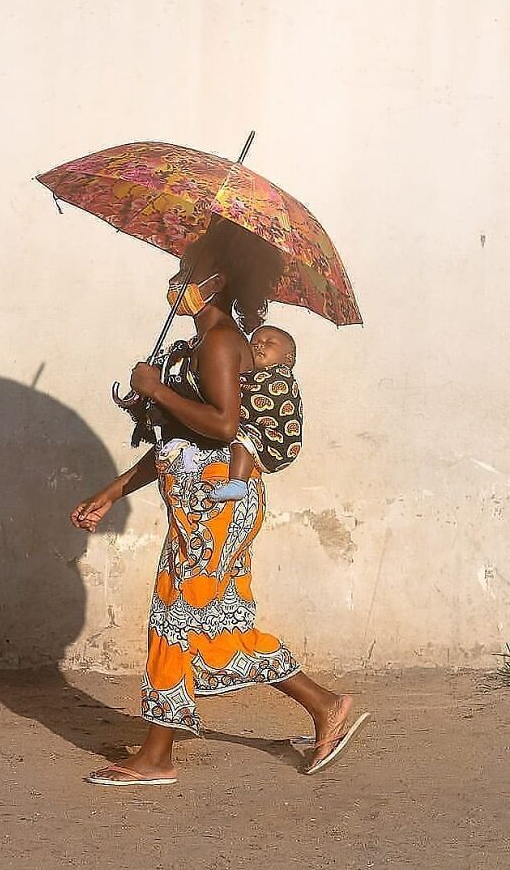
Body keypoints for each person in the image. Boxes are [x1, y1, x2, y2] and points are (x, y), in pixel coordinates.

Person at [70, 218, 369, 785]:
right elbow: (180, 442)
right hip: (201, 506)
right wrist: (112, 490)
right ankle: (323, 704)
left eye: (190, 269)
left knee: (176, 619)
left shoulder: (221, 343)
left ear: (221, 279)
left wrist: (158, 391)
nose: (179, 279)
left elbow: (225, 425)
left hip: (216, 506)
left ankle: (157, 756)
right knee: (212, 625)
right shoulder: (199, 345)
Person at [208, 324, 302, 502]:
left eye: (269, 343)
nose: (259, 345)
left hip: (277, 441)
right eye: (254, 343)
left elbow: (244, 394)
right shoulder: (255, 375)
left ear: (288, 358)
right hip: (267, 433)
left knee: (240, 437)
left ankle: (238, 483)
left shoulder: (280, 376)